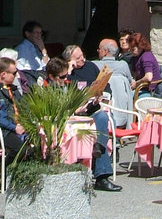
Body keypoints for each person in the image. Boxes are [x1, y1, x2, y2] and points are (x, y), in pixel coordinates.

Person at [52, 45, 122, 192]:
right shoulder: (64, 73)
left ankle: (101, 173)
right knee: (97, 133)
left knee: (102, 117)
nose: (82, 59)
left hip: (91, 111)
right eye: (77, 58)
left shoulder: (90, 67)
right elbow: (62, 92)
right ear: (68, 60)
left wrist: (101, 96)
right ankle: (85, 170)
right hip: (72, 114)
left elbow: (106, 86)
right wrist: (69, 70)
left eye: (82, 55)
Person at [95, 39, 135, 127]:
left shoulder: (94, 65)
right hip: (122, 112)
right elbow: (130, 83)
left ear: (105, 51)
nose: (98, 51)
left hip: (101, 112)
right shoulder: (123, 65)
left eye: (99, 49)